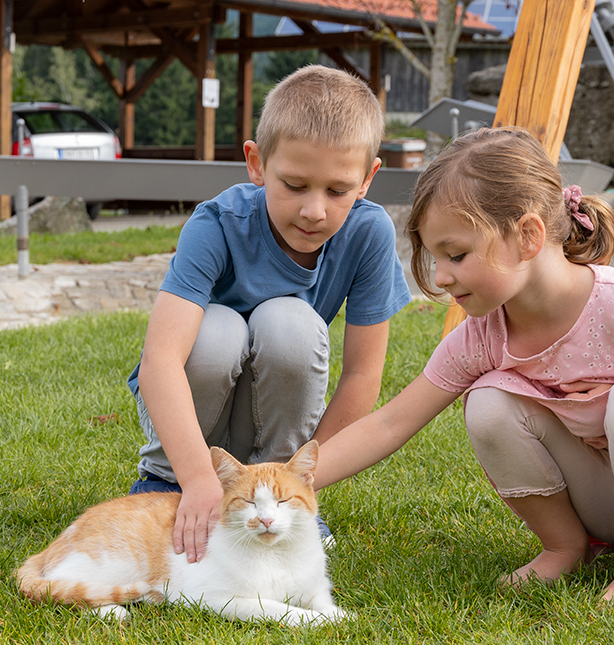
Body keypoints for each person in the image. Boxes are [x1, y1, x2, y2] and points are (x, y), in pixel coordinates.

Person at [313, 127, 614, 602]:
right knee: (487, 400)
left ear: (528, 235)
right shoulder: (483, 334)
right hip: (602, 501)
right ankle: (564, 546)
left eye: (457, 254)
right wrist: (286, 478)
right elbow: (390, 423)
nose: (442, 276)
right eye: (434, 257)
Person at [127, 65, 412, 564]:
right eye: (295, 185)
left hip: (279, 442)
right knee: (218, 329)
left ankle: (273, 499)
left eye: (337, 191)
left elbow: (364, 376)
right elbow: (160, 362)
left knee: (290, 322)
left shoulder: (369, 233)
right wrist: (196, 479)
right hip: (196, 428)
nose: (314, 211)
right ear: (257, 164)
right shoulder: (216, 224)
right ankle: (162, 482)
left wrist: (297, 485)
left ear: (368, 179)